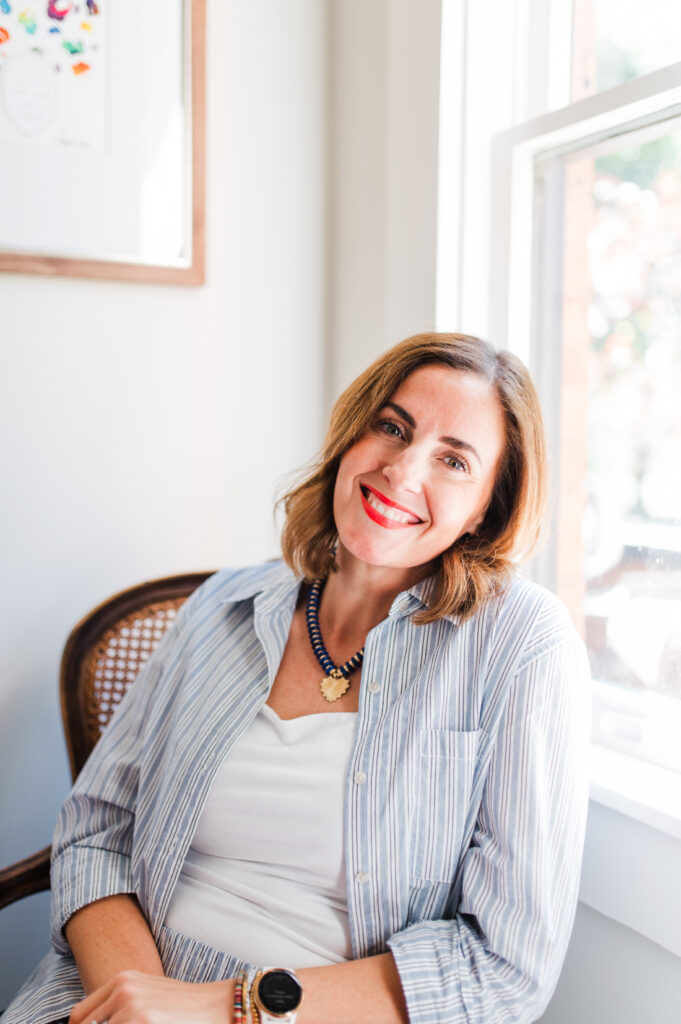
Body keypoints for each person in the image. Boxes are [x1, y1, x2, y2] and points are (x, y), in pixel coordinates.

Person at [4, 333, 590, 1024]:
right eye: (392, 427)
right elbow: (97, 831)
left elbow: (502, 966)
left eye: (452, 460)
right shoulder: (220, 607)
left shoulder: (522, 645)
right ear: (351, 436)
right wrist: (137, 1000)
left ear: (486, 510)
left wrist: (217, 1010)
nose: (402, 471)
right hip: (112, 993)